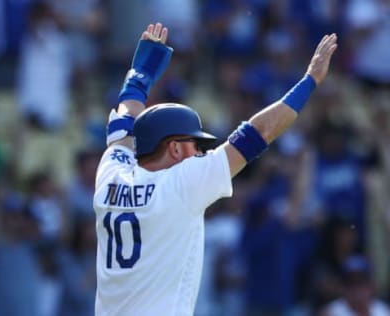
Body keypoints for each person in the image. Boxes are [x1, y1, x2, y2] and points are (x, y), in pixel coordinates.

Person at [93, 22, 337, 315]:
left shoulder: (111, 173)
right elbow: (258, 133)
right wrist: (309, 82)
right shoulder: (181, 184)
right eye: (194, 144)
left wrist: (140, 74)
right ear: (173, 148)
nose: (199, 152)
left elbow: (124, 119)